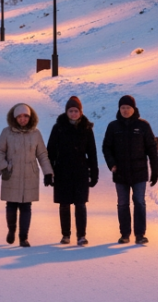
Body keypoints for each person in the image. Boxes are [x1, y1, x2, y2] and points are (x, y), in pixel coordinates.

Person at [102, 95, 158, 245]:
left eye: (128, 107)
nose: (125, 110)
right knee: (122, 204)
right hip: (120, 172)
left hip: (139, 172)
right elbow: (106, 147)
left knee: (139, 202)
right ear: (119, 109)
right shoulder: (113, 126)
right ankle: (125, 234)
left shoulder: (143, 126)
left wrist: (155, 170)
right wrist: (111, 164)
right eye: (123, 108)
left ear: (134, 109)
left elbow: (152, 150)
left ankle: (140, 234)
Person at [0, 103, 53, 247]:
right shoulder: (7, 132)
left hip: (29, 175)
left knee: (26, 206)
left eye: (25, 116)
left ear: (30, 117)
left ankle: (23, 237)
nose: (22, 119)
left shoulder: (35, 133)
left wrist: (48, 172)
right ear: (14, 118)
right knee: (11, 204)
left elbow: (42, 154)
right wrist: (3, 166)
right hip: (11, 173)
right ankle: (11, 230)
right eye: (19, 116)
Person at [47, 96, 99, 245]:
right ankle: (66, 235)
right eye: (71, 111)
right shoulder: (58, 128)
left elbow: (92, 152)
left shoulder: (86, 128)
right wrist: (49, 173)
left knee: (80, 204)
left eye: (76, 111)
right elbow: (50, 152)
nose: (73, 114)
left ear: (80, 112)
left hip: (80, 171)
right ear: (66, 112)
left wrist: (94, 173)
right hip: (62, 171)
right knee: (64, 204)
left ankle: (81, 235)